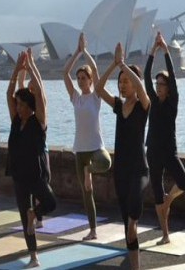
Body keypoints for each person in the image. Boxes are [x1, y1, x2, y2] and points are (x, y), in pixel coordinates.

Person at [95, 43, 150, 270]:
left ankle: (132, 231)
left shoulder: (144, 105)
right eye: (121, 81)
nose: (123, 84)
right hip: (120, 172)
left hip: (139, 170)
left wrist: (124, 66)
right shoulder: (119, 106)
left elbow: (141, 87)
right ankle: (134, 264)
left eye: (126, 81)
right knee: (128, 223)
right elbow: (99, 88)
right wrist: (115, 65)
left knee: (134, 214)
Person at [7, 49, 56, 268]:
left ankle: (33, 214)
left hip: (35, 174)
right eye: (16, 104)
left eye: (20, 104)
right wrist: (18, 68)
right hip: (19, 174)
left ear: (29, 106)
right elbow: (10, 92)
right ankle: (33, 255)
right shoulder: (16, 122)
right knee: (23, 216)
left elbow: (41, 95)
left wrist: (32, 66)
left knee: (50, 202)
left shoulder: (39, 123)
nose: (16, 107)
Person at [63, 33, 112, 240]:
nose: (81, 81)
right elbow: (65, 74)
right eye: (79, 78)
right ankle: (92, 230)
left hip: (95, 147)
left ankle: (88, 171)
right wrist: (77, 52)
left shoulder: (96, 97)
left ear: (91, 80)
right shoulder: (76, 98)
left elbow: (98, 71)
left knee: (106, 162)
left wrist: (87, 53)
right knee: (87, 193)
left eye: (84, 78)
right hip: (80, 149)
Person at [145, 32, 185, 245]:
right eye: (157, 84)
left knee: (184, 182)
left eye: (162, 84)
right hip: (153, 151)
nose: (158, 87)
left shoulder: (173, 103)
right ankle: (164, 234)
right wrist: (153, 51)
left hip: (169, 151)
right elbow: (145, 76)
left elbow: (172, 73)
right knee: (156, 193)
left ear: (168, 87)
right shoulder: (153, 101)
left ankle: (168, 201)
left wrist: (165, 51)